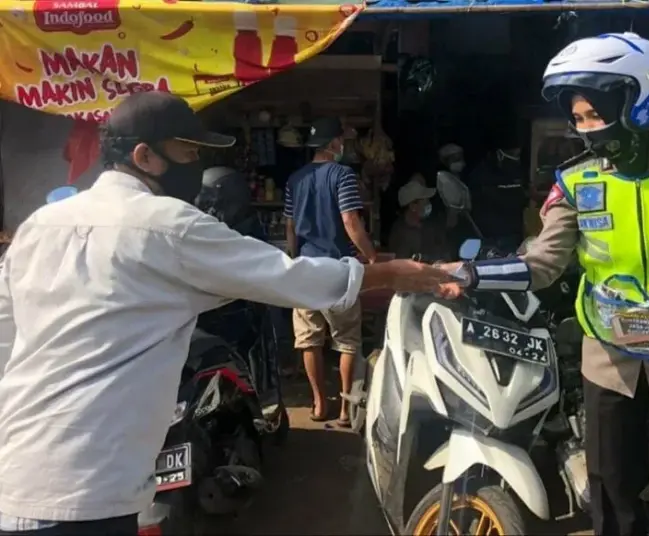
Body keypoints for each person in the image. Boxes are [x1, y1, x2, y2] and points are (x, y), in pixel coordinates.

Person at [0, 92, 455, 536]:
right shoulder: (167, 226)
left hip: (15, 474)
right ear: (144, 156)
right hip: (86, 493)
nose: (194, 165)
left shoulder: (39, 226)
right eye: (187, 152)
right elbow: (289, 277)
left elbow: (5, 338)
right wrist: (394, 272)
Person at [441, 33, 649, 536]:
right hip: (610, 362)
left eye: (595, 114)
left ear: (638, 100)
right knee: (612, 487)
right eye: (578, 118)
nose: (586, 129)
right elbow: (543, 262)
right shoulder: (577, 182)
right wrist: (470, 275)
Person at [284, 116, 377, 426]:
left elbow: (290, 227)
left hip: (305, 270)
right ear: (334, 144)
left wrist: (294, 259)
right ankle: (345, 411)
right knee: (347, 340)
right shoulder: (343, 175)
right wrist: (373, 258)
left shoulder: (294, 180)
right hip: (338, 270)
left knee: (309, 340)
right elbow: (351, 222)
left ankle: (319, 404)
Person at [467, 145, 527, 253]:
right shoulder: (482, 175)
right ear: (499, 154)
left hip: (512, 234)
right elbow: (512, 201)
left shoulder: (515, 171)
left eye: (518, 155)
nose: (516, 158)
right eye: (513, 154)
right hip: (494, 236)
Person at [389, 176, 451, 261]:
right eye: (426, 201)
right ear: (413, 206)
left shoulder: (433, 225)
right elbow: (402, 265)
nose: (429, 204)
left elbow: (446, 254)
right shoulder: (400, 233)